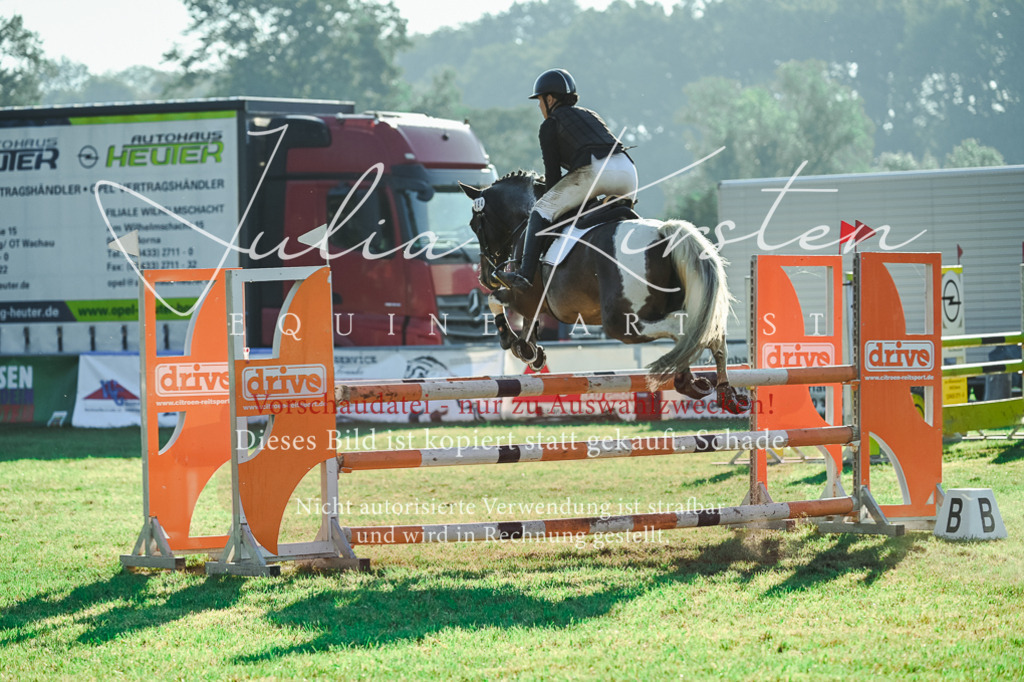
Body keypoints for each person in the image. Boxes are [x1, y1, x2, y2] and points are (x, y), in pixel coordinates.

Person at [499, 68, 639, 292]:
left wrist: (546, 199)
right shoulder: (591, 114)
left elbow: (553, 174)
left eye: (540, 100)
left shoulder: (550, 124)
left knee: (540, 211)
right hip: (628, 170)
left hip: (595, 170)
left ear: (550, 99)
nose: (539, 106)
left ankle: (524, 276)